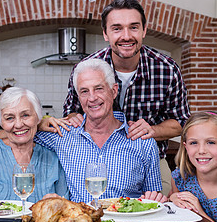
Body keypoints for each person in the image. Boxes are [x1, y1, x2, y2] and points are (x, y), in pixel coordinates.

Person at [63, 0, 191, 195]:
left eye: (133, 27)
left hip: (152, 161)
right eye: (117, 28)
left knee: (159, 210)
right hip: (94, 164)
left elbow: (183, 123)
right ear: (105, 33)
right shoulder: (86, 68)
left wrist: (152, 130)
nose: (126, 36)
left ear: (144, 30)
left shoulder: (166, 69)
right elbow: (70, 114)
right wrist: (74, 119)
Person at [36, 59, 166, 203]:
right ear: (78, 97)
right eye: (84, 91)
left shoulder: (143, 142)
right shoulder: (63, 134)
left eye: (99, 89)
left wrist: (156, 200)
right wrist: (38, 123)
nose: (92, 98)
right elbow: (14, 134)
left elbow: (152, 200)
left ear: (114, 91)